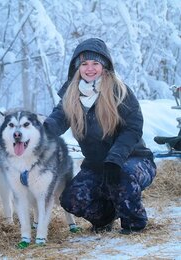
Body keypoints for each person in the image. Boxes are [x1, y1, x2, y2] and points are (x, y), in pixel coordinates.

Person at [44, 38, 156, 235]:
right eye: (84, 63)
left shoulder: (119, 90)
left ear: (104, 66)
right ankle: (106, 217)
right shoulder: (71, 94)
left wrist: (115, 158)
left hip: (132, 159)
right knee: (71, 198)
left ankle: (134, 224)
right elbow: (57, 119)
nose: (90, 68)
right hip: (96, 165)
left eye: (95, 63)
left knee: (122, 176)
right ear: (77, 67)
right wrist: (41, 131)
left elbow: (133, 128)